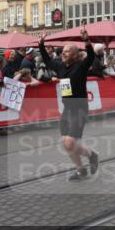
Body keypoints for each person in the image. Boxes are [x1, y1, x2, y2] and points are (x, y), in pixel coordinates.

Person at [38, 28, 99, 181]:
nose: (63, 53)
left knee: (70, 142)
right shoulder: (60, 66)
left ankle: (92, 155)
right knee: (67, 144)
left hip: (79, 108)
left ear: (75, 55)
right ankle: (81, 171)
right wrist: (41, 44)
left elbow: (91, 56)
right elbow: (46, 60)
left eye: (67, 51)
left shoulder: (81, 66)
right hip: (67, 108)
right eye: (63, 51)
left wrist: (87, 40)